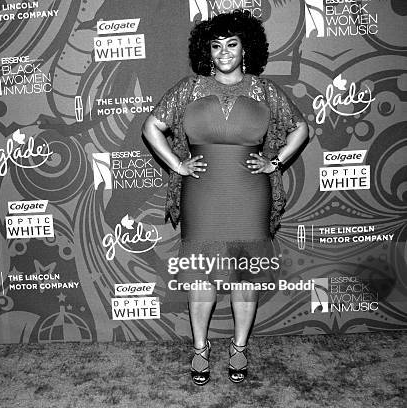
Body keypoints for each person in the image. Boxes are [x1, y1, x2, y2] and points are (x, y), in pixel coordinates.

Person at [142, 9, 308, 385]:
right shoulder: (190, 88)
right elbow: (151, 126)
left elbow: (302, 129)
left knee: (245, 277)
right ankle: (200, 348)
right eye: (216, 46)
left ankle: (239, 347)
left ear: (246, 47)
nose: (224, 52)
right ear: (208, 51)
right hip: (202, 194)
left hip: (250, 194)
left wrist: (275, 162)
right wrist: (177, 165)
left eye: (231, 44)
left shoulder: (265, 90)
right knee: (201, 275)